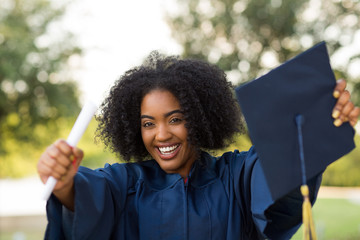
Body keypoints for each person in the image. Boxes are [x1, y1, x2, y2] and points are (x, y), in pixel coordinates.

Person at [37, 52, 359, 239]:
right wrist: (64, 181)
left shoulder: (235, 179)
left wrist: (320, 120)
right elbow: (88, 197)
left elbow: (278, 171)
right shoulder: (127, 185)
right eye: (148, 123)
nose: (161, 135)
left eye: (175, 119)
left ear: (200, 118)